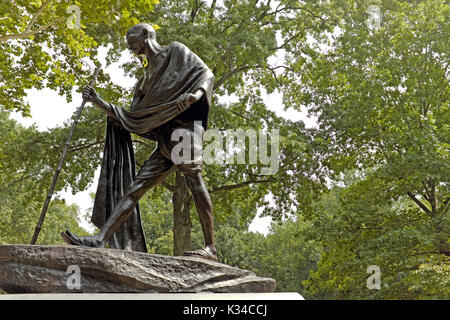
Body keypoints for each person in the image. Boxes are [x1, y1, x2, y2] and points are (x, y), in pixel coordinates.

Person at [61, 23, 218, 261]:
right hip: (166, 140)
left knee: (194, 180)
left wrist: (194, 95)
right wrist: (98, 102)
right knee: (135, 189)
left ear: (146, 34)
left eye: (130, 38)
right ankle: (100, 239)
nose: (129, 45)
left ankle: (210, 248)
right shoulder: (144, 81)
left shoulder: (175, 51)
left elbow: (206, 75)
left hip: (184, 132)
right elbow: (131, 117)